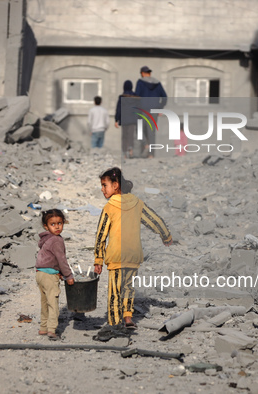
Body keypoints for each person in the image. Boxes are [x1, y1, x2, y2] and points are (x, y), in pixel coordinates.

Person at [94, 167, 172, 328]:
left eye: (104, 185)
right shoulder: (137, 203)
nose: (102, 189)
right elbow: (154, 220)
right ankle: (128, 318)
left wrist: (98, 259)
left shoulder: (109, 207)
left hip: (116, 255)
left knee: (115, 291)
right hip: (133, 254)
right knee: (128, 287)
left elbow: (101, 235)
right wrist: (166, 236)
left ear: (115, 185)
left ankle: (115, 323)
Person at [35, 209, 74, 340]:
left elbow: (52, 259)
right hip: (49, 276)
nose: (57, 227)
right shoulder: (57, 240)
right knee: (53, 302)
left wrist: (60, 273)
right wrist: (68, 275)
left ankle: (43, 327)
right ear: (46, 226)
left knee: (45, 302)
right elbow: (61, 260)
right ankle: (52, 330)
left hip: (40, 274)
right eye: (53, 224)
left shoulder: (46, 238)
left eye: (60, 223)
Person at [135, 66, 167, 158]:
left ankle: (145, 145)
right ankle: (151, 154)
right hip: (154, 111)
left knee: (139, 130)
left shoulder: (140, 82)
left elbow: (137, 97)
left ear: (142, 73)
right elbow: (164, 97)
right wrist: (160, 108)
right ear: (150, 73)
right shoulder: (158, 83)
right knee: (151, 132)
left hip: (143, 110)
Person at [114, 80, 139, 159]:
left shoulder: (121, 97)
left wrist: (116, 120)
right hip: (132, 119)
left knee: (124, 136)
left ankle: (124, 153)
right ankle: (130, 150)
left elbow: (118, 109)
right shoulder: (135, 97)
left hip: (124, 119)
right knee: (131, 135)